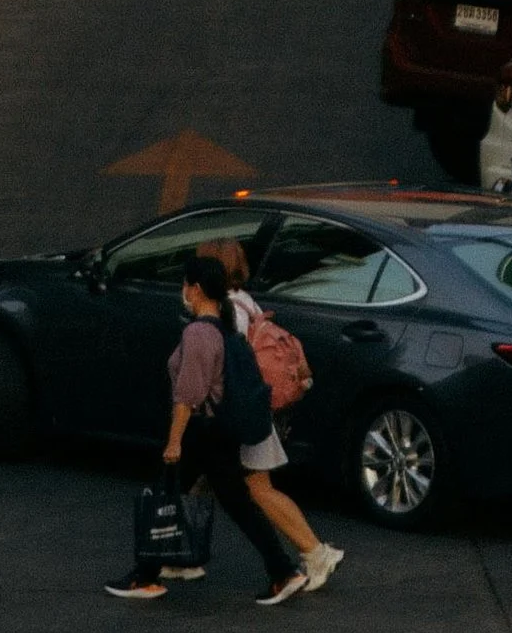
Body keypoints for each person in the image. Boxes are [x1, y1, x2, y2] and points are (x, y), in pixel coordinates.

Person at [106, 257, 308, 607]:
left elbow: (189, 395)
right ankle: (282, 570)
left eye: (185, 284)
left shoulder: (198, 332)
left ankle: (145, 575)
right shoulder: (227, 330)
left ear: (196, 288)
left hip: (202, 432)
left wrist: (174, 441)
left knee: (166, 496)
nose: (182, 291)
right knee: (233, 503)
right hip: (220, 432)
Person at [214, 239, 341, 595]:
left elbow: (232, 366)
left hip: (249, 412)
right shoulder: (247, 301)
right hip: (261, 408)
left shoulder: (230, 310)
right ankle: (175, 557)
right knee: (213, 483)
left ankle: (315, 552)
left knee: (259, 489)